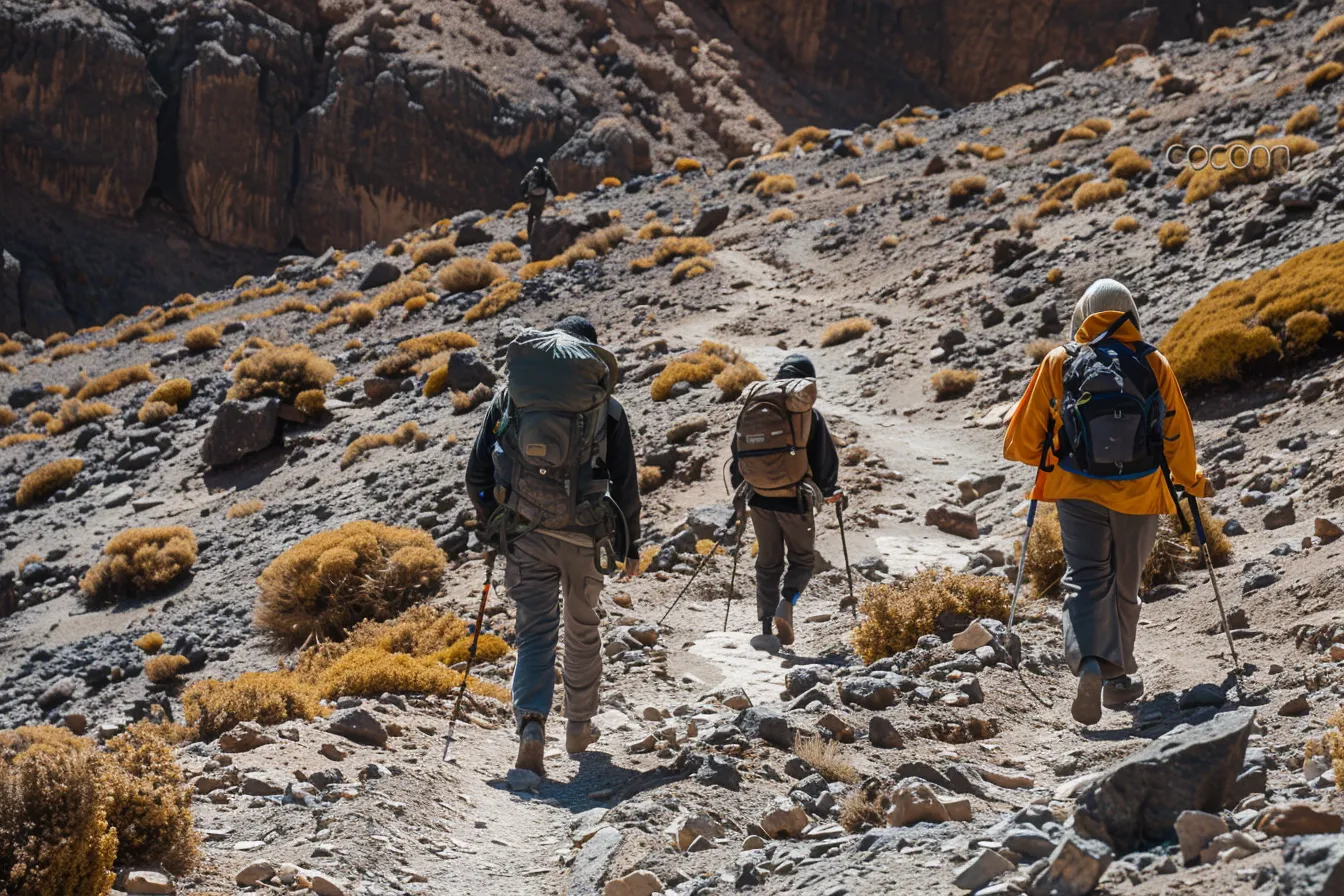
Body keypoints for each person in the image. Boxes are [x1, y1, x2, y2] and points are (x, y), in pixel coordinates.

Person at [1003, 279, 1212, 725]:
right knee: (1125, 585)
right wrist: (1191, 481)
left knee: (1084, 578)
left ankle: (1090, 665)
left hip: (1076, 491)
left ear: (1083, 313)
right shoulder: (1154, 361)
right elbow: (1177, 435)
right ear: (1131, 312)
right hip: (1141, 493)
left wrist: (1055, 451)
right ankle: (1117, 683)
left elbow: (1020, 445)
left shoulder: (1060, 360)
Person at [465, 314, 642, 776]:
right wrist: (631, 546)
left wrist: (494, 521)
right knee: (582, 628)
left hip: (526, 534)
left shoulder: (510, 399)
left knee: (534, 633)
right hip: (586, 536)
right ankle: (579, 727)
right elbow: (626, 486)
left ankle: (531, 725)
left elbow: (476, 473)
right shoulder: (609, 407)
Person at [729, 353, 842, 647]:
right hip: (795, 499)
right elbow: (824, 458)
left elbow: (737, 455)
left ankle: (766, 626)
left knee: (768, 564)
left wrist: (742, 493)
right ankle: (787, 602)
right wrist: (829, 489)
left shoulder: (755, 407)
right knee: (802, 561)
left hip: (759, 499)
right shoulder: (807, 415)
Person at [519, 158, 560, 244]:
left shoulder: (532, 173)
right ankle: (539, 236)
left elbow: (523, 184)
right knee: (539, 214)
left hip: (533, 197)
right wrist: (557, 195)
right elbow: (552, 185)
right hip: (542, 196)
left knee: (531, 215)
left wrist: (524, 196)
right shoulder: (546, 173)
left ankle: (530, 235)